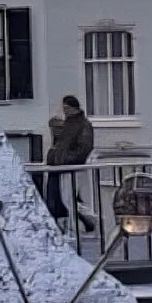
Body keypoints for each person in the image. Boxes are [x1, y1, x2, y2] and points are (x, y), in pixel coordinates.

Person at [44, 95, 96, 229]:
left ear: (74, 108)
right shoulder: (67, 124)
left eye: (67, 108)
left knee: (68, 198)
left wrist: (65, 159)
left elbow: (85, 147)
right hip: (62, 167)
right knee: (64, 199)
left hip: (71, 167)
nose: (65, 110)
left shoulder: (84, 125)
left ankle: (85, 220)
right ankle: (76, 224)